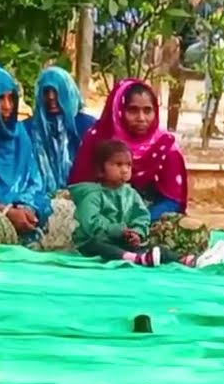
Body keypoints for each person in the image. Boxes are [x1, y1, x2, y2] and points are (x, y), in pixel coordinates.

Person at [67, 79, 210, 257]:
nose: (141, 118)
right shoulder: (99, 138)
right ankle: (142, 255)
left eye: (148, 110)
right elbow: (80, 187)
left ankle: (168, 257)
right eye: (133, 110)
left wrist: (137, 227)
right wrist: (117, 227)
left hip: (147, 218)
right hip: (101, 217)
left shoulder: (165, 146)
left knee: (191, 234)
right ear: (120, 110)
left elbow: (172, 201)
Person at [70, 139, 224, 267]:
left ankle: (188, 260)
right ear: (100, 169)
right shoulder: (92, 195)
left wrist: (137, 233)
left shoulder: (130, 194)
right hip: (93, 242)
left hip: (120, 241)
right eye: (118, 165)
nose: (124, 170)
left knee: (156, 248)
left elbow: (141, 216)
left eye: (128, 165)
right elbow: (89, 223)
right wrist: (118, 230)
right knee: (97, 245)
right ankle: (136, 259)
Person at [0, 67, 77, 248]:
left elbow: (34, 182)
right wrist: (6, 210)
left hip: (21, 211)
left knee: (66, 210)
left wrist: (27, 207)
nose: (7, 106)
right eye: (0, 98)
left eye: (11, 98)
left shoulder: (19, 135)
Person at [24, 66, 97, 194]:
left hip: (83, 194)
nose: (51, 97)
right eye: (46, 91)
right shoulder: (27, 128)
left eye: (57, 91)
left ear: (68, 91)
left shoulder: (87, 125)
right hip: (37, 195)